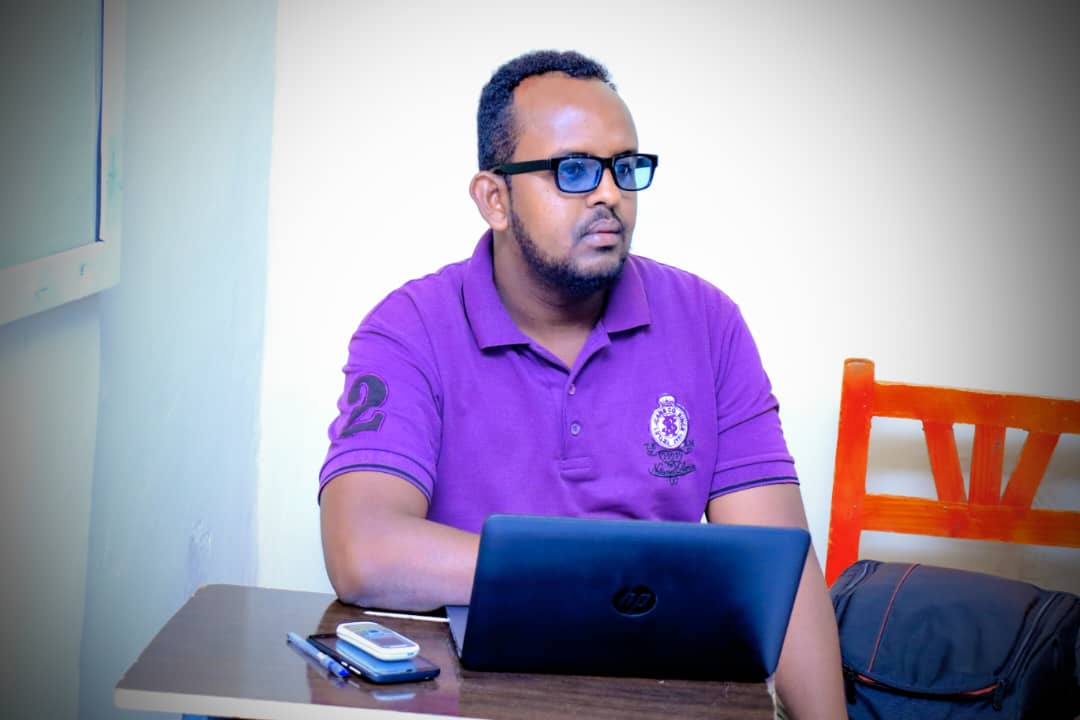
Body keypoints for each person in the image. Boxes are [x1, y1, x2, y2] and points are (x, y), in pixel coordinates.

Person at [319, 50, 846, 718]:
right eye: (573, 170)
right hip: (470, 699)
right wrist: (611, 577)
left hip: (664, 700)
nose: (609, 194)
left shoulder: (708, 323)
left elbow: (783, 579)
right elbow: (364, 551)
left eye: (625, 168)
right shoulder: (410, 327)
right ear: (495, 199)